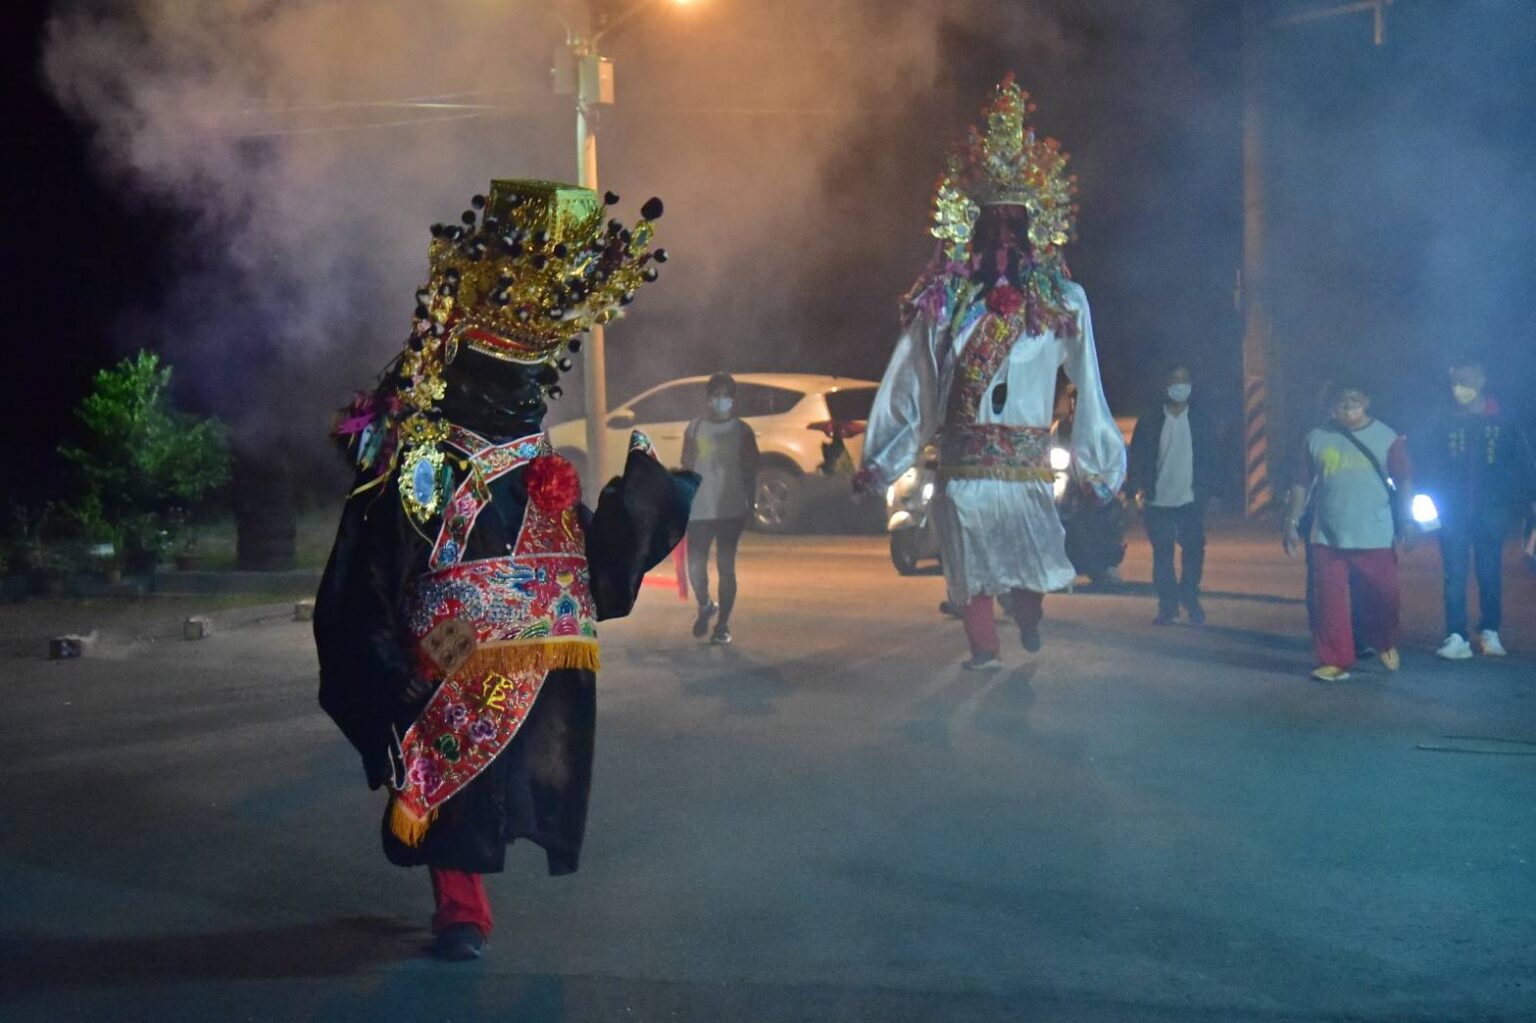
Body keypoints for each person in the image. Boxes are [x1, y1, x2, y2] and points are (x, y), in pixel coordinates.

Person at [313, 180, 696, 962]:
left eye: (531, 374)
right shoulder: (420, 456)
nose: (521, 388)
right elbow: (374, 571)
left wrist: (642, 511)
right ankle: (461, 907)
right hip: (448, 636)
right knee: (448, 765)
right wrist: (390, 666)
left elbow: (586, 569)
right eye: (506, 372)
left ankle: (466, 894)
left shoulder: (537, 462)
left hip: (526, 637)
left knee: (508, 770)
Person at [856, 75, 1126, 670]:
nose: (1004, 236)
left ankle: (1027, 616)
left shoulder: (1064, 301)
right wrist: (883, 460)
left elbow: (1089, 385)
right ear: (971, 230)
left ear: (1035, 231)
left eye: (1016, 225)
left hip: (1027, 465)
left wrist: (1097, 464)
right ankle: (984, 646)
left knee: (1028, 560)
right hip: (963, 465)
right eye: (991, 224)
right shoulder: (945, 302)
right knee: (970, 560)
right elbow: (914, 386)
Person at [1282, 381, 1413, 681]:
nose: (1348, 406)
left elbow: (1404, 481)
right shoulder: (1315, 438)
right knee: (1328, 602)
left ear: (1367, 400)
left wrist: (1407, 521)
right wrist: (1291, 524)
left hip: (1375, 534)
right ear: (1330, 406)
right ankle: (1335, 660)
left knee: (1384, 596)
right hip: (1327, 535)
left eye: (1355, 399)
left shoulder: (1386, 437)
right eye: (1342, 401)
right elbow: (1301, 484)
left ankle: (1384, 641)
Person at [1414, 356, 1536, 659]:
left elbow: (1522, 461)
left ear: (1481, 381)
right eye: (1455, 382)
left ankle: (1490, 631)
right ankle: (1455, 635)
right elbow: (1427, 462)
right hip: (1452, 510)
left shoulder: (1503, 419)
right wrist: (1425, 501)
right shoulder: (1442, 419)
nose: (1459, 389)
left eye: (1465, 382)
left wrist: (1528, 498)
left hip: (1491, 509)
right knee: (1454, 573)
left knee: (1489, 570)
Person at [1127, 364, 1220, 625]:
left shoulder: (1200, 420)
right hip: (1158, 500)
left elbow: (1212, 458)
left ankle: (1190, 599)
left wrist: (1213, 493)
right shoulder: (1150, 420)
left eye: (1184, 380)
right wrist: (1132, 492)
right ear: (1165, 384)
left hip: (1191, 499)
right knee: (1162, 555)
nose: (1180, 386)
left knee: (1193, 552)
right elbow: (1138, 458)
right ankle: (1167, 605)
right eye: (1174, 380)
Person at [681, 372, 759, 645]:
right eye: (716, 395)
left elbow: (751, 470)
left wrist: (752, 504)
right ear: (708, 399)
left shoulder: (743, 431)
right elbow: (686, 467)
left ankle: (723, 625)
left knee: (726, 567)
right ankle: (705, 604)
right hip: (699, 509)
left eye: (726, 395)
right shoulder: (694, 429)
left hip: (731, 508)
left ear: (733, 400)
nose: (720, 400)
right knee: (695, 564)